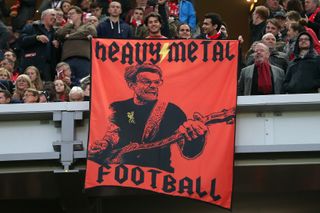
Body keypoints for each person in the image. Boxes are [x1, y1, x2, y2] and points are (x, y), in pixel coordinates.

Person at [88, 63, 207, 173]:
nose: (153, 86)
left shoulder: (172, 111)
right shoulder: (119, 107)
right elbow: (114, 133)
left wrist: (197, 138)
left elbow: (188, 152)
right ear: (132, 85)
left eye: (157, 82)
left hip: (158, 177)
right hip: (120, 173)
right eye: (147, 82)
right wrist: (104, 144)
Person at [56, 6, 97, 86]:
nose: (70, 16)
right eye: (68, 14)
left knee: (84, 83)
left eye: (72, 13)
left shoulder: (87, 25)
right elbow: (59, 34)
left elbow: (92, 32)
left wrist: (69, 36)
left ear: (79, 14)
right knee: (66, 83)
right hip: (67, 60)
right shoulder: (67, 27)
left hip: (83, 60)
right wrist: (69, 24)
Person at [19, 8, 59, 82]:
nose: (55, 18)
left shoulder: (55, 32)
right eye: (52, 15)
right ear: (44, 16)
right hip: (32, 65)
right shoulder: (31, 26)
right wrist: (36, 38)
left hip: (48, 68)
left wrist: (57, 46)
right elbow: (21, 41)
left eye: (56, 16)